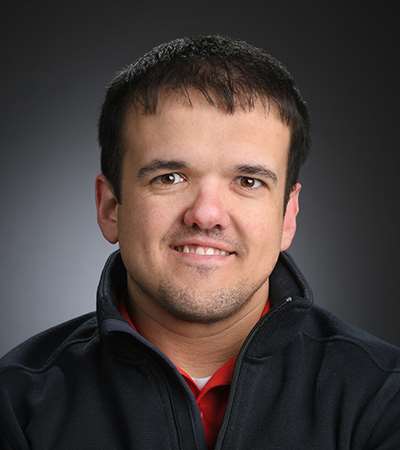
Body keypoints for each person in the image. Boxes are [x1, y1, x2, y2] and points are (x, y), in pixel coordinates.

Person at [1, 34, 399, 450]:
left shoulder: (384, 397)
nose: (206, 214)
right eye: (169, 178)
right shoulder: (15, 405)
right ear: (110, 208)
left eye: (248, 181)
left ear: (288, 216)